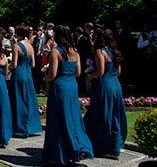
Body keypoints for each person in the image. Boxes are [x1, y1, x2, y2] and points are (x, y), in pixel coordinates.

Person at [42, 25, 93, 165]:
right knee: (72, 116)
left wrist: (45, 75)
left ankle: (60, 152)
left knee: (59, 119)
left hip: (60, 86)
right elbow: (78, 73)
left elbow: (52, 74)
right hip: (72, 85)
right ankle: (75, 147)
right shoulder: (75, 51)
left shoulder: (55, 52)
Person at [84, 28, 127, 161]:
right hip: (115, 84)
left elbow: (100, 72)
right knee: (113, 115)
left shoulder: (100, 51)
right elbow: (119, 72)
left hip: (104, 85)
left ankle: (100, 146)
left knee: (99, 115)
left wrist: (90, 75)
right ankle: (112, 147)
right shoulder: (115, 52)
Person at [8, 25, 42, 138]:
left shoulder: (16, 46)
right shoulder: (30, 46)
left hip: (19, 73)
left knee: (18, 99)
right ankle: (31, 126)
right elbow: (33, 64)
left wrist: (8, 68)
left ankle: (19, 126)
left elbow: (14, 64)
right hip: (28, 73)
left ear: (18, 33)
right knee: (29, 98)